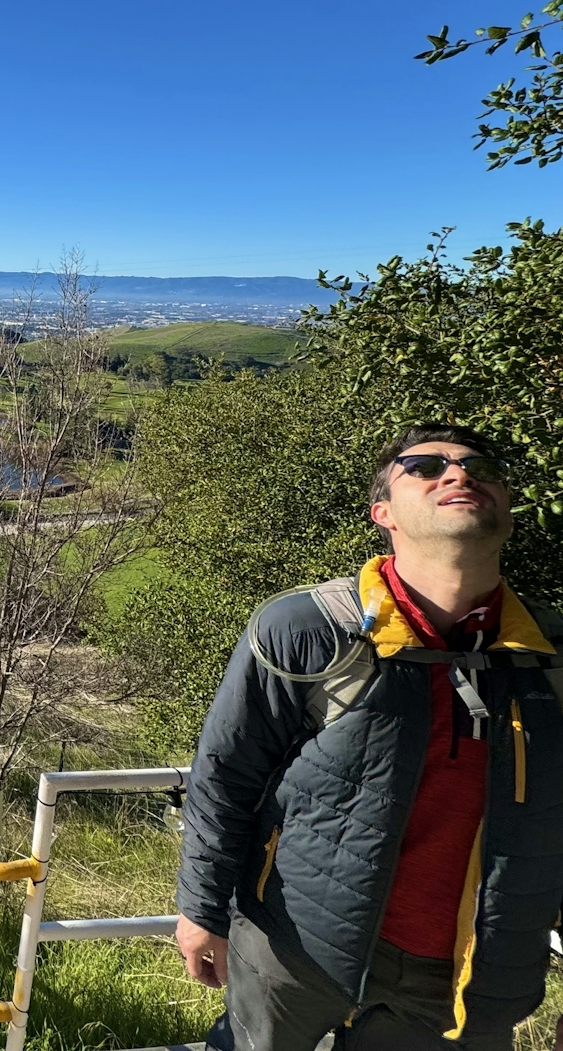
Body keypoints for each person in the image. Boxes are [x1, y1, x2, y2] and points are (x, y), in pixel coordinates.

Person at [175, 423, 563, 1050]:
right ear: (384, 513)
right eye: (426, 467)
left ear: (510, 510)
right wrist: (202, 908)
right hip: (294, 947)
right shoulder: (308, 629)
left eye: (481, 468)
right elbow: (226, 775)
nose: (459, 475)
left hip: (468, 971)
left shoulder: (550, 656)